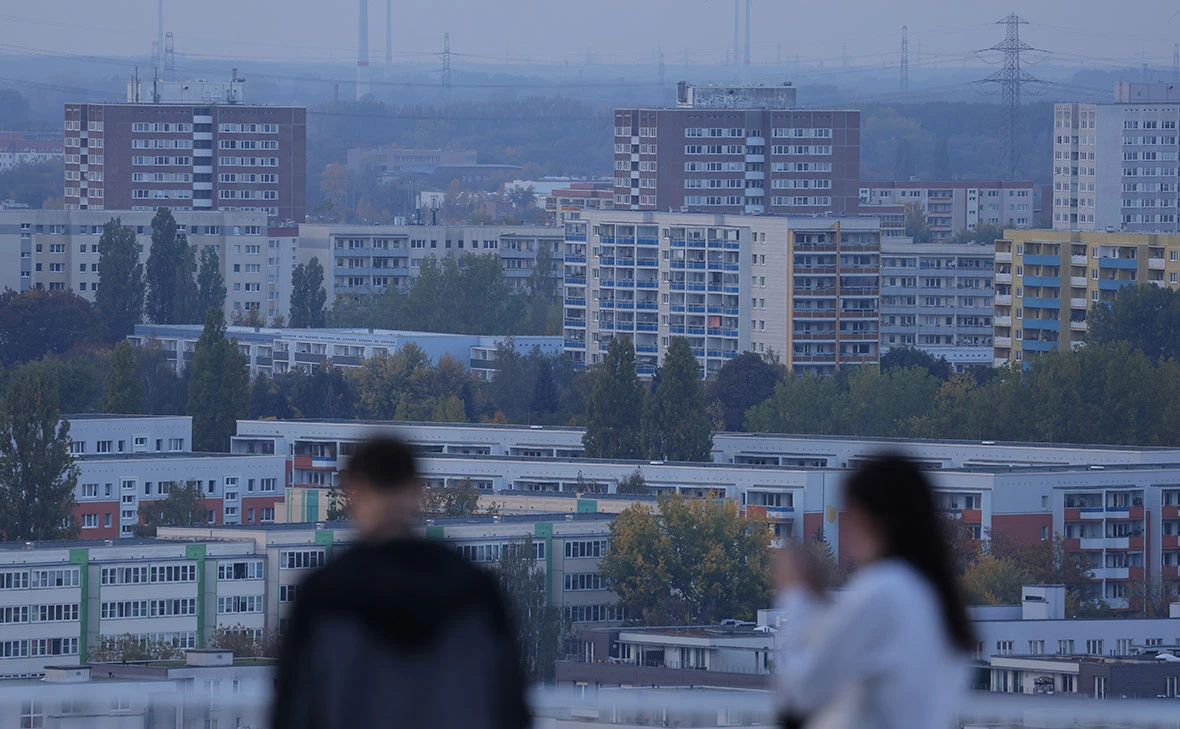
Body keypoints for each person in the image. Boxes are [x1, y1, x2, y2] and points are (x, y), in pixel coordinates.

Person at [273, 437, 530, 729]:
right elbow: (510, 707)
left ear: (354, 490)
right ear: (417, 489)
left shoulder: (321, 594)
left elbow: (292, 710)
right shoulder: (475, 589)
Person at [774, 454, 975, 729]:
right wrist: (822, 608)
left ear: (874, 522)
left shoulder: (882, 589)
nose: (848, 533)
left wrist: (795, 595)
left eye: (852, 518)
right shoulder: (930, 594)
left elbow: (801, 691)